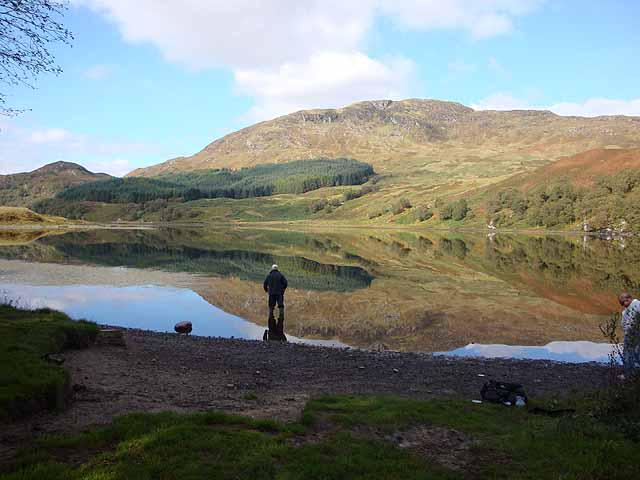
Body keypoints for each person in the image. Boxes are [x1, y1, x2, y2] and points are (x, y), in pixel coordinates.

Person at [263, 264, 288, 340]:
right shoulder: (280, 275)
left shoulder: (269, 276)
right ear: (277, 269)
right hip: (279, 293)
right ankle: (281, 316)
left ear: (272, 269)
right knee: (280, 305)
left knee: (271, 306)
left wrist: (267, 290)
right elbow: (285, 283)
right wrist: (283, 290)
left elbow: (265, 284)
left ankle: (271, 315)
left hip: (271, 293)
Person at [619, 292, 640, 373]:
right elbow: (624, 324)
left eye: (622, 303)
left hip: (635, 334)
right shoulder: (626, 310)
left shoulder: (637, 304)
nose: (623, 305)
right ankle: (632, 372)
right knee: (635, 353)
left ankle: (628, 373)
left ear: (628, 299)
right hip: (631, 334)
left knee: (628, 353)